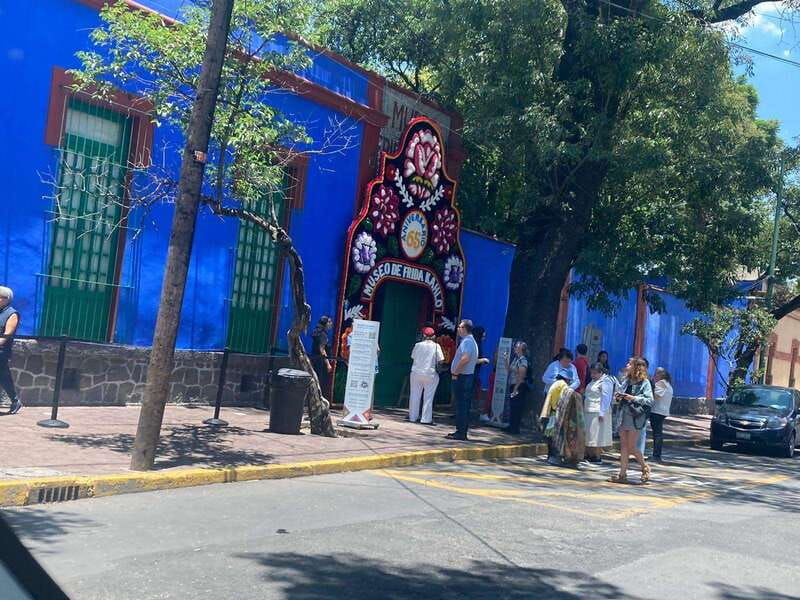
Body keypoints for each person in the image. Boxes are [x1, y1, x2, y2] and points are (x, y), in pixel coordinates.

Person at [610, 357, 653, 484]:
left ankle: (645, 467)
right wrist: (618, 397)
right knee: (623, 446)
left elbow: (650, 400)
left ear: (635, 366)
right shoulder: (627, 380)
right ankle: (622, 474)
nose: (627, 365)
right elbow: (619, 394)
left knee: (631, 446)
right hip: (624, 416)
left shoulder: (644, 383)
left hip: (635, 417)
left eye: (629, 363)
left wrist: (632, 398)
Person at [446, 319, 479, 441]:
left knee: (461, 406)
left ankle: (461, 432)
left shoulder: (467, 342)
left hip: (463, 377)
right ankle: (460, 431)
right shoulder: (471, 342)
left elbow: (465, 359)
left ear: (465, 329)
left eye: (460, 327)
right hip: (466, 376)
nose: (458, 329)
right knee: (462, 405)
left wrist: (455, 372)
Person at [408, 327, 444, 425]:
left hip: (416, 372)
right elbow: (441, 360)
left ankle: (412, 417)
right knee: (428, 397)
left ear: (423, 335)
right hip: (430, 373)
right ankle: (426, 419)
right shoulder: (436, 346)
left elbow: (413, 357)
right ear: (434, 336)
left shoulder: (417, 345)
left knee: (414, 395)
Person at [584, 362, 614, 463]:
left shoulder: (605, 381)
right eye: (591, 373)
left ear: (600, 372)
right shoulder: (593, 381)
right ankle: (589, 454)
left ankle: (596, 456)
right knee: (590, 434)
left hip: (598, 411)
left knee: (597, 435)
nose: (592, 375)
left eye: (594, 373)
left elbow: (606, 398)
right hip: (589, 410)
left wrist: (602, 413)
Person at [0, 287, 20, 414]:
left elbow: (6, 335)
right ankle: (15, 400)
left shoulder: (12, 314)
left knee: (4, 377)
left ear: (5, 299)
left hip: (1, 351)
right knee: (3, 376)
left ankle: (15, 400)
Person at [649, 367, 674, 462]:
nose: (654, 376)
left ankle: (656, 455)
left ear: (660, 375)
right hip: (662, 411)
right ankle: (656, 454)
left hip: (657, 411)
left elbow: (657, 396)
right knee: (658, 433)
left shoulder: (661, 383)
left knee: (657, 434)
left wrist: (651, 387)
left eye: (656, 374)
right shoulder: (668, 384)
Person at [506, 341, 530, 435]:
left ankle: (515, 428)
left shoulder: (522, 360)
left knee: (517, 407)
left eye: (516, 347)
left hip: (519, 386)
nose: (514, 348)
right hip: (513, 385)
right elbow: (509, 369)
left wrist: (516, 388)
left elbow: (522, 375)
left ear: (520, 349)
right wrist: (505, 360)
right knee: (513, 406)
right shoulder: (516, 359)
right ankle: (511, 426)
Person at [310, 316, 334, 399]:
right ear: (325, 324)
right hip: (320, 362)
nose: (331, 324)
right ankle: (318, 399)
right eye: (329, 322)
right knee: (320, 380)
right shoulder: (323, 335)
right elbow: (322, 349)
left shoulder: (317, 332)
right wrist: (328, 364)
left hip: (314, 359)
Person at [636, 357, 652, 455]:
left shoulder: (647, 381)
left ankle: (639, 454)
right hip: (632, 410)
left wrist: (635, 398)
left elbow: (650, 399)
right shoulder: (632, 379)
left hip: (643, 410)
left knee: (641, 432)